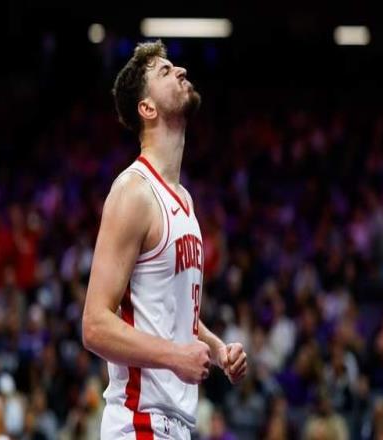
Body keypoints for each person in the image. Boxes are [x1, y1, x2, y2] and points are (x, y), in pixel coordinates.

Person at [82, 40, 247, 439]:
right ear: (147, 108)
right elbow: (95, 325)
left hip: (175, 423)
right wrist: (175, 357)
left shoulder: (184, 199)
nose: (181, 71)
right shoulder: (133, 192)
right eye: (165, 71)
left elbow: (172, 314)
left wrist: (216, 349)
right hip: (139, 421)